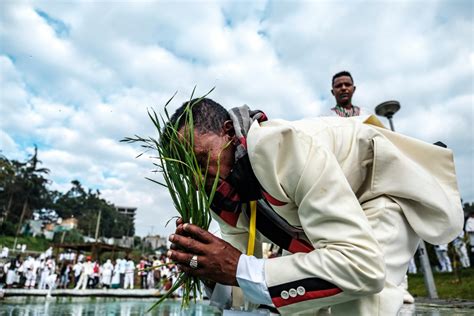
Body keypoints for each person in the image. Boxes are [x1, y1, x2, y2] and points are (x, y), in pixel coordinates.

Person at [164, 98, 463, 315]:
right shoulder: (223, 187)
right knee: (298, 305)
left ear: (229, 132)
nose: (196, 178)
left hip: (377, 193)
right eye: (185, 169)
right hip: (325, 228)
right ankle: (395, 290)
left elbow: (361, 266)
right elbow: (240, 286)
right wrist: (206, 269)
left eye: (201, 159)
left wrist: (239, 267)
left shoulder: (278, 146)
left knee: (359, 305)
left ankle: (393, 293)